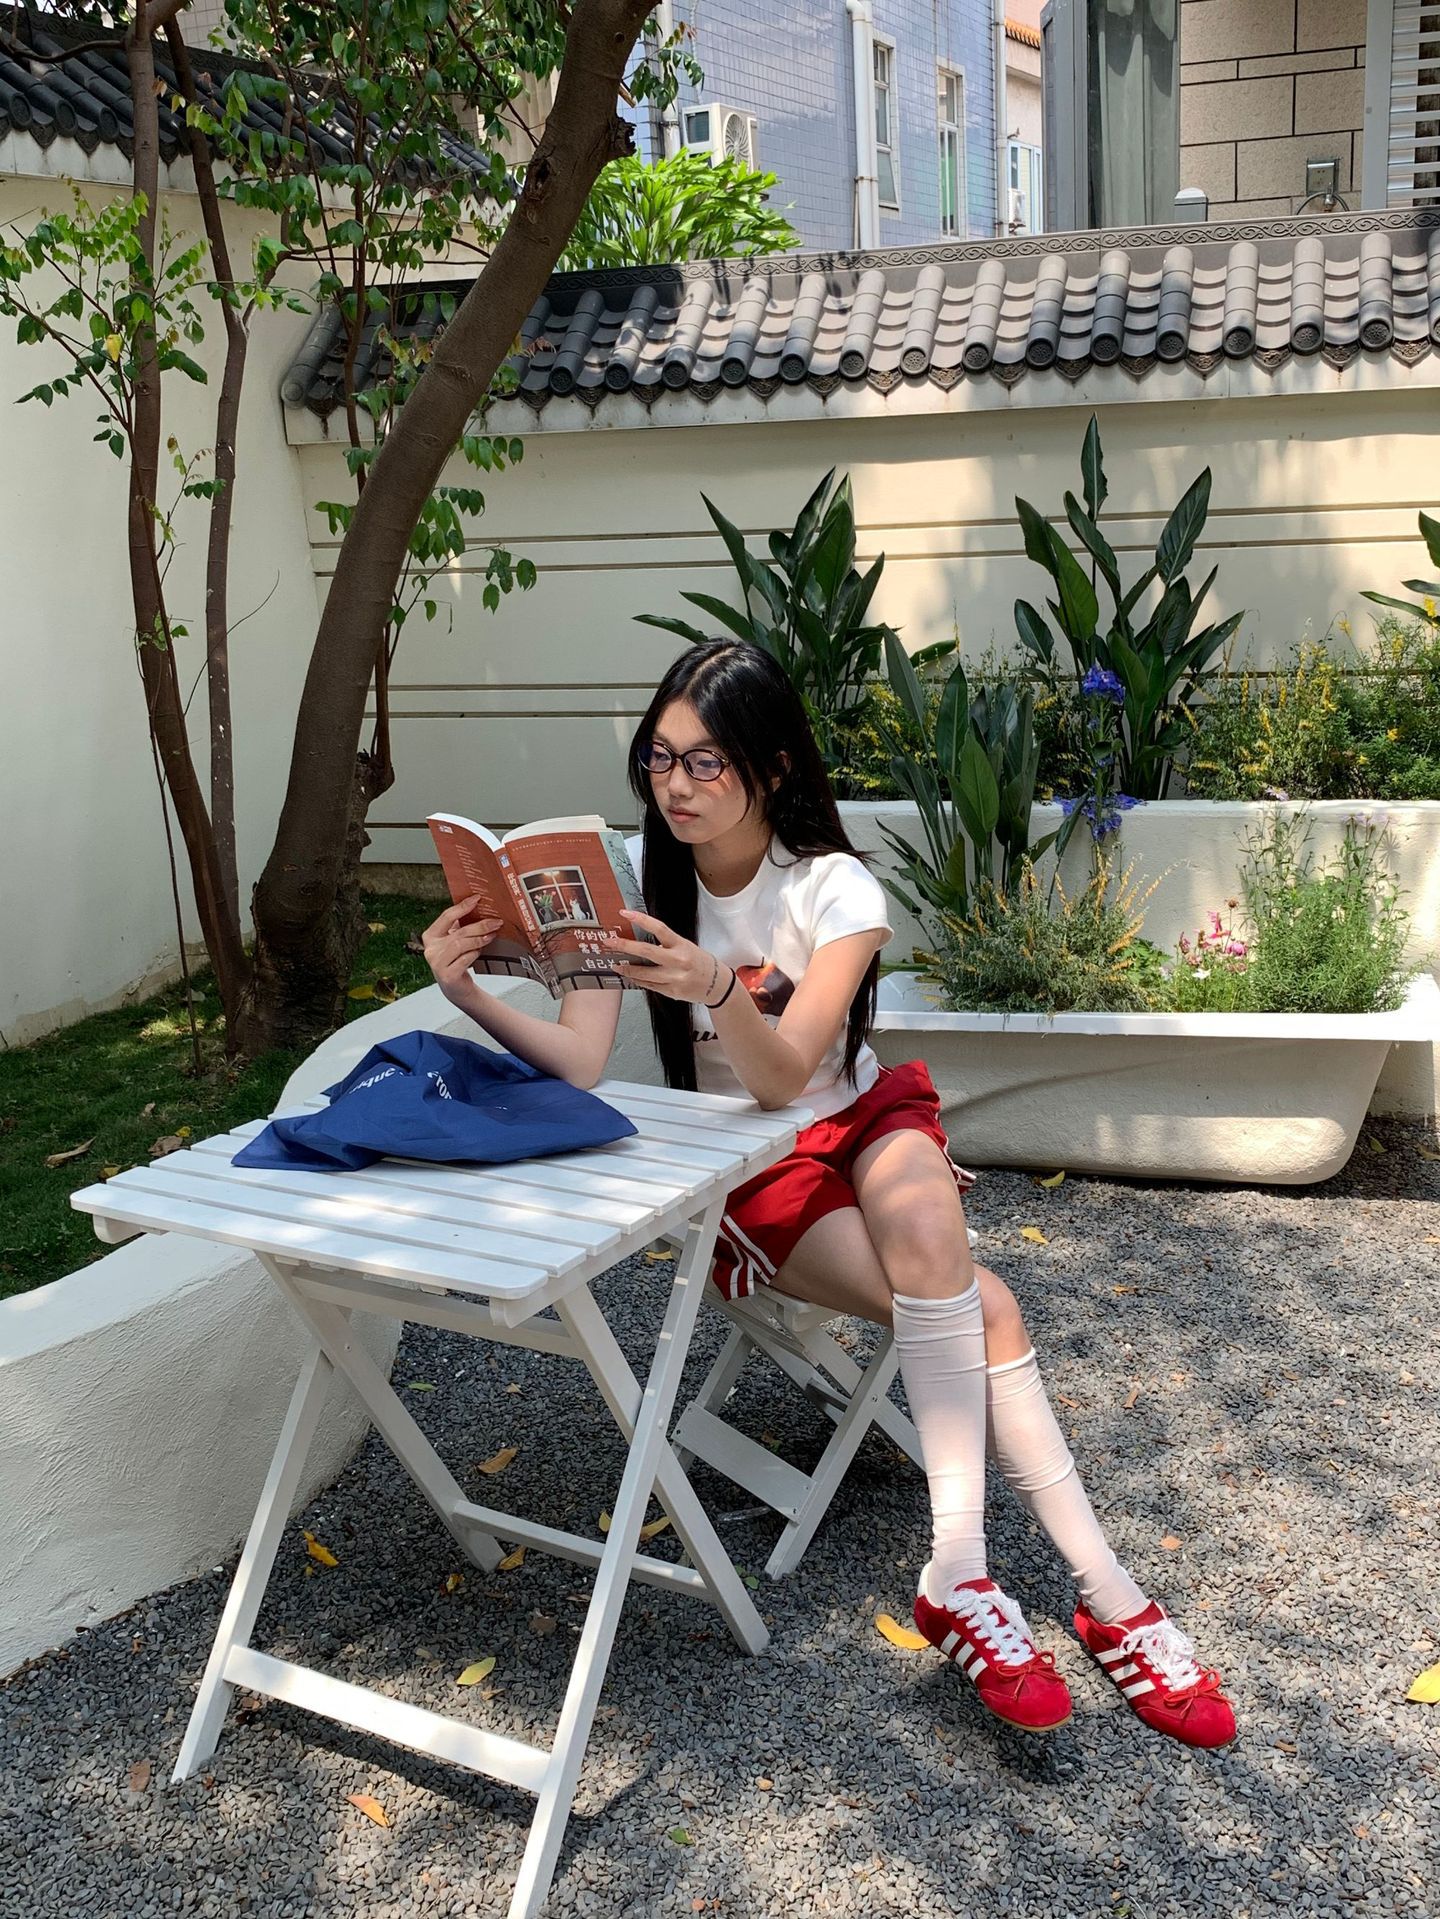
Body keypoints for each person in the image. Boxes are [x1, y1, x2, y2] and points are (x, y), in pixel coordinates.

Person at [422, 640, 1235, 1748]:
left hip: (859, 1113)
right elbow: (584, 1059)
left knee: (928, 1229)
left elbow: (791, 1069)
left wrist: (717, 985)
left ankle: (972, 1574)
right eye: (659, 756)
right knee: (987, 1305)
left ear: (771, 767)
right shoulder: (638, 879)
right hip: (752, 1166)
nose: (676, 784)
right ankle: (1100, 1592)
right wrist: (467, 992)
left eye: (705, 761)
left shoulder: (833, 887)